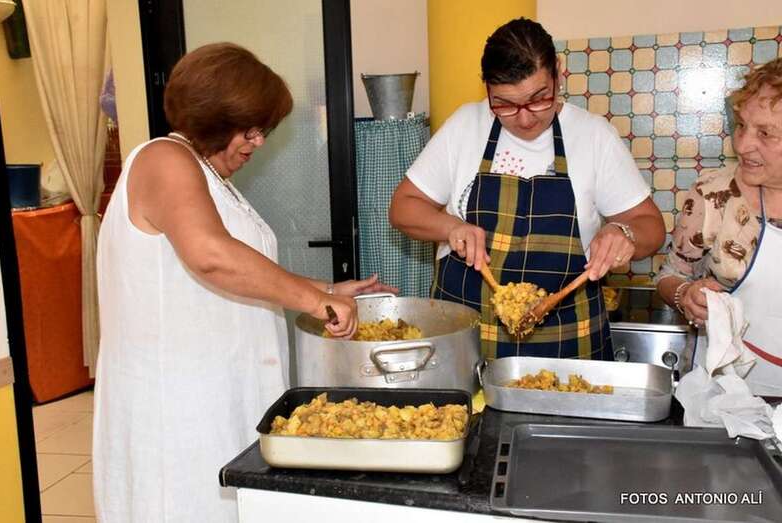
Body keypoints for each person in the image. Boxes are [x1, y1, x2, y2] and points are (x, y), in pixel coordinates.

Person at [93, 43, 395, 522]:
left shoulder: (209, 176)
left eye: (263, 130)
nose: (258, 142)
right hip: (178, 406)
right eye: (248, 129)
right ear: (213, 116)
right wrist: (315, 301)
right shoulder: (164, 159)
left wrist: (328, 289)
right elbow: (211, 256)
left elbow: (241, 272)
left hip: (217, 392)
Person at [389, 18, 664, 361]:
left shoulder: (594, 137)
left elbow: (651, 226)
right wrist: (451, 227)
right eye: (504, 104)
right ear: (486, 88)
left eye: (539, 99)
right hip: (466, 346)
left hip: (569, 347)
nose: (524, 119)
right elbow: (404, 206)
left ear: (558, 73)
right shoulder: (466, 126)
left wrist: (624, 233)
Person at [656, 57, 782, 397]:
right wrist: (685, 295)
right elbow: (670, 275)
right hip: (723, 396)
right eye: (741, 126)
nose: (742, 145)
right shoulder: (713, 194)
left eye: (765, 133)